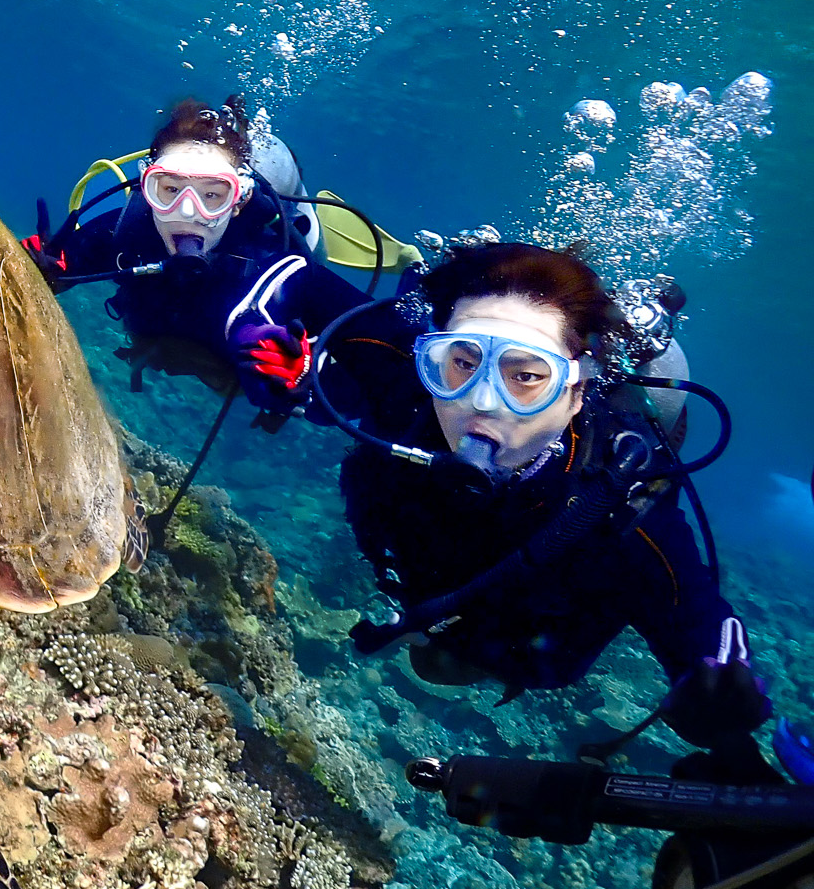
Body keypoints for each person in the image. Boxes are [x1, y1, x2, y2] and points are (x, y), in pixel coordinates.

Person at [323, 240, 771, 770]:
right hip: (417, 581)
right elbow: (301, 290)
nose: (482, 401)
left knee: (441, 665)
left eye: (527, 377)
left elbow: (697, 621)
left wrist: (718, 694)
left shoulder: (619, 509)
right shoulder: (407, 390)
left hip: (514, 642)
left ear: (577, 392)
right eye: (463, 362)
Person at [23, 95, 388, 416]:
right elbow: (59, 265)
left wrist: (308, 377)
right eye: (170, 189)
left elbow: (375, 379)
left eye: (212, 195)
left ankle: (347, 238)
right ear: (146, 188)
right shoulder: (123, 231)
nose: (186, 212)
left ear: (240, 200)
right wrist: (46, 268)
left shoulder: (279, 269)